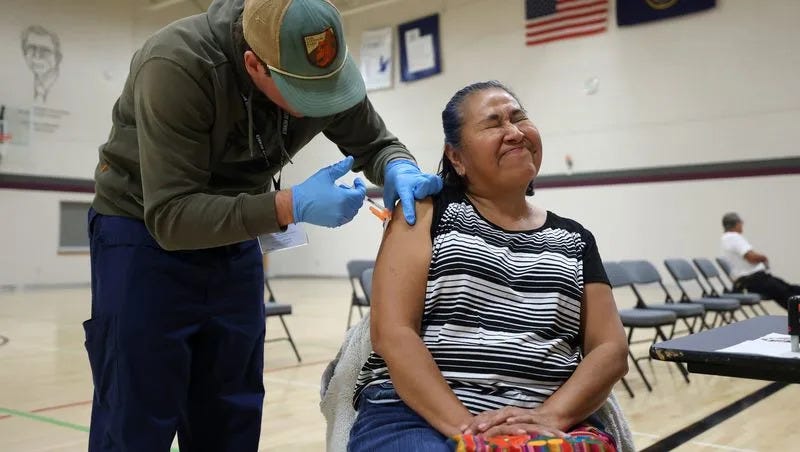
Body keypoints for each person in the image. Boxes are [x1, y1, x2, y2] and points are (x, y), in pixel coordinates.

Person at [84, 0, 442, 450]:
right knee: (136, 410)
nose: (317, 105)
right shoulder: (178, 64)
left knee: (230, 407)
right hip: (142, 230)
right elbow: (171, 216)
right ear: (255, 64)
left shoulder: (318, 64)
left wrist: (397, 166)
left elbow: (374, 142)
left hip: (236, 233)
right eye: (304, 94)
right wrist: (287, 205)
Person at [348, 81, 629, 451]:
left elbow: (610, 347)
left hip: (542, 413)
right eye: (494, 123)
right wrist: (469, 432)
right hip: (414, 413)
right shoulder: (426, 211)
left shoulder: (576, 239)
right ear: (457, 158)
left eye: (519, 117)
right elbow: (394, 332)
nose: (514, 132)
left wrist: (552, 416)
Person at [720, 212, 800, 310]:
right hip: (752, 280)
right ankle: (796, 317)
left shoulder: (726, 238)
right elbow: (751, 257)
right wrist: (763, 257)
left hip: (751, 279)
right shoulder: (733, 237)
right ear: (736, 223)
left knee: (790, 289)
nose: (742, 225)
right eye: (741, 222)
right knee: (787, 293)